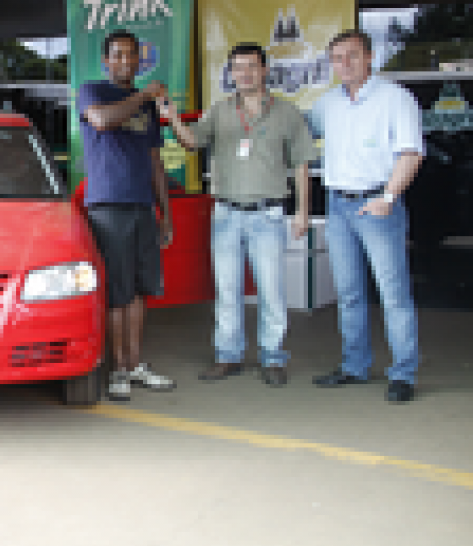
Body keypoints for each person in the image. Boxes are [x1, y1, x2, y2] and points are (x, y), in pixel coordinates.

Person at [157, 43, 316, 387]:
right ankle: (228, 356)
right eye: (238, 67)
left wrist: (303, 211)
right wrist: (172, 117)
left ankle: (272, 357)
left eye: (251, 66)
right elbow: (191, 142)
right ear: (231, 73)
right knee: (227, 290)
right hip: (226, 214)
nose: (244, 73)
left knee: (271, 292)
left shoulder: (286, 113)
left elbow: (301, 164)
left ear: (265, 70)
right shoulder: (220, 111)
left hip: (268, 214)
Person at [309, 30, 424, 403]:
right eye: (337, 58)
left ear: (370, 57)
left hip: (378, 205)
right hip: (338, 205)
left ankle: (403, 374)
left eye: (353, 55)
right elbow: (296, 135)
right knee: (348, 294)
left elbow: (411, 153)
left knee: (393, 295)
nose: (344, 64)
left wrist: (389, 197)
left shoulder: (395, 98)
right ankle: (354, 366)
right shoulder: (327, 104)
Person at [78, 29, 175, 401]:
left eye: (131, 54)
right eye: (117, 54)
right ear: (106, 61)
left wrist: (165, 213)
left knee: (139, 290)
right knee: (117, 292)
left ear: (139, 60)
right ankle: (118, 369)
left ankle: (135, 364)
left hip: (142, 206)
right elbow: (102, 121)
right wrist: (143, 96)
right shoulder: (92, 91)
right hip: (109, 206)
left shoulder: (146, 107)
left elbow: (155, 162)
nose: (124, 61)